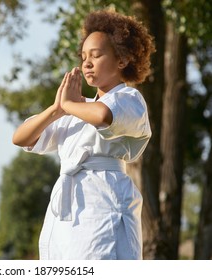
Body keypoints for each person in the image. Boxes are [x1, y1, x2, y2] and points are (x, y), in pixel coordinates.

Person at [12, 9, 155, 260]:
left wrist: (68, 106)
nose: (86, 63)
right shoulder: (76, 109)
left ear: (121, 60)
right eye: (83, 57)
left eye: (96, 55)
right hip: (67, 211)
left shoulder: (129, 99)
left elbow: (102, 116)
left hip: (104, 201)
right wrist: (56, 110)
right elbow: (21, 137)